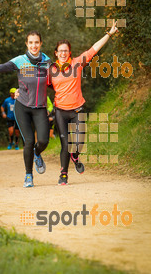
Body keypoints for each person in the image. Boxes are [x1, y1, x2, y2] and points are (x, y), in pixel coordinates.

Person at [0, 31, 51, 187]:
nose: (34, 45)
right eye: (31, 42)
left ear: (41, 43)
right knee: (29, 141)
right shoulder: (20, 61)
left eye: (37, 42)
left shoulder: (47, 62)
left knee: (43, 141)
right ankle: (28, 176)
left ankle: (37, 153)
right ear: (26, 44)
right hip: (22, 106)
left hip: (40, 107)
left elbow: (54, 81)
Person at [49, 20, 118, 185]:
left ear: (70, 52)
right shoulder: (50, 70)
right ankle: (63, 174)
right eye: (61, 51)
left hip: (77, 109)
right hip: (60, 111)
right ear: (56, 53)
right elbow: (37, 86)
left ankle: (75, 156)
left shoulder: (77, 63)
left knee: (78, 143)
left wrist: (109, 33)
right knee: (65, 144)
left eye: (66, 51)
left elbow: (94, 48)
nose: (63, 53)